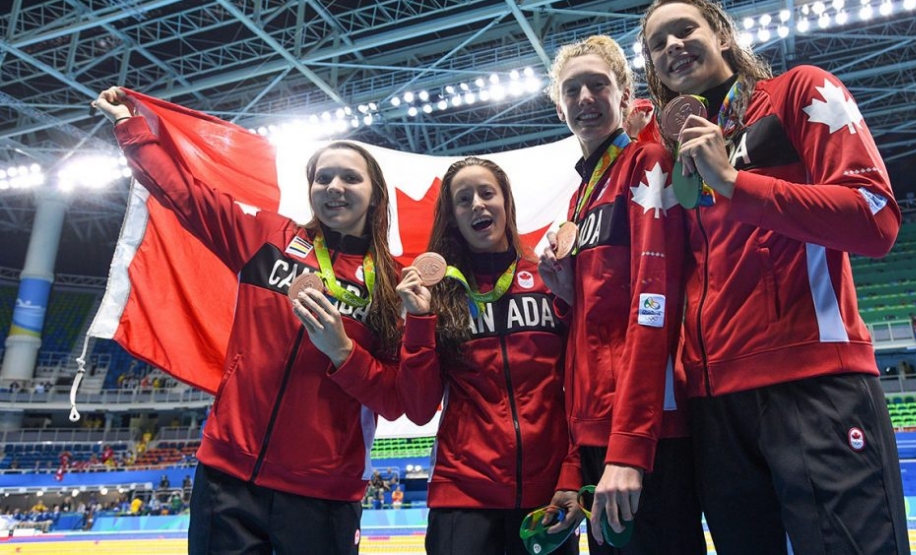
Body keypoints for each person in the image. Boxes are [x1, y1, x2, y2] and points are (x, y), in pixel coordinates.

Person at [639, 0, 910, 554]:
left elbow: (876, 219)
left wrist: (737, 184)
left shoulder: (798, 93)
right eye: (655, 44)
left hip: (811, 381)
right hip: (715, 404)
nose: (671, 47)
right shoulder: (675, 154)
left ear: (721, 33)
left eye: (684, 29)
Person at [93, 87, 405, 555]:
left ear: (375, 193)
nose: (334, 187)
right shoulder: (268, 238)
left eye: (349, 178)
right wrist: (131, 129)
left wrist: (343, 351)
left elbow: (395, 396)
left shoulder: (391, 285)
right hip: (228, 474)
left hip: (322, 489)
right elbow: (185, 196)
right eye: (323, 178)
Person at [539, 36, 706, 554]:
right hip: (597, 433)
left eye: (598, 85)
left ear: (623, 93)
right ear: (558, 103)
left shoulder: (646, 164)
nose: (585, 98)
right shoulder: (581, 195)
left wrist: (631, 446)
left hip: (646, 433)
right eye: (572, 90)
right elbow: (586, 333)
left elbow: (652, 305)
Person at [397, 157, 581, 555]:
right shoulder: (439, 295)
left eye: (486, 193)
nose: (477, 205)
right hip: (462, 497)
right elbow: (418, 407)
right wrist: (418, 321)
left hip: (547, 496)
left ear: (506, 204)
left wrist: (572, 470)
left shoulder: (548, 280)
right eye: (464, 200)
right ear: (453, 218)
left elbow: (582, 386)